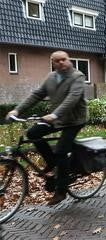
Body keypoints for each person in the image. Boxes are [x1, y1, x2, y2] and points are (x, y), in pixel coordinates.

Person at [5, 51, 87, 205]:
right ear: (53, 63)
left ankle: (61, 191)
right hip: (57, 118)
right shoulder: (51, 77)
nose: (61, 63)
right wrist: (17, 110)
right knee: (32, 133)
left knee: (61, 150)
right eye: (57, 61)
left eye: (64, 59)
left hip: (74, 120)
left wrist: (54, 115)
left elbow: (72, 98)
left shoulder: (78, 76)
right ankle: (52, 161)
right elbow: (36, 95)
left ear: (68, 60)